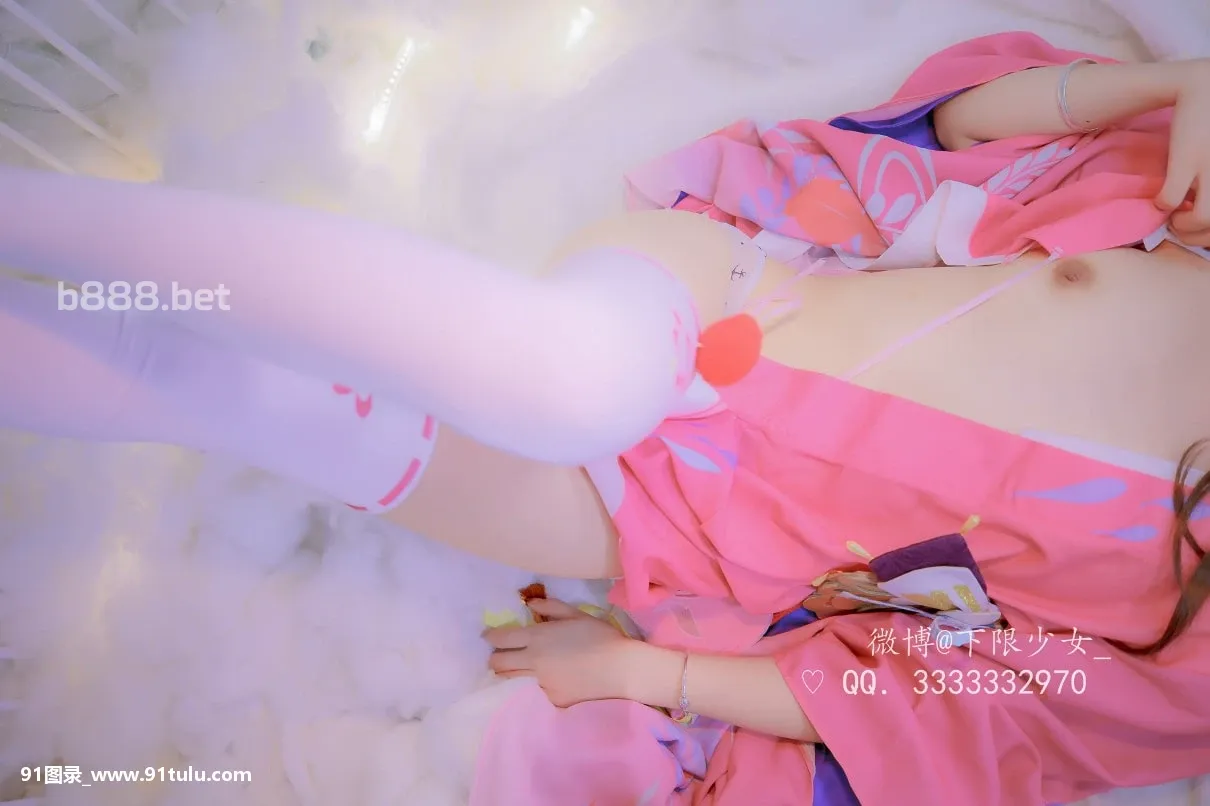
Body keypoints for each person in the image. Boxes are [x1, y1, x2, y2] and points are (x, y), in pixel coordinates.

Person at [1, 31, 1209, 806]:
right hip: (735, 293)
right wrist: (1172, 85)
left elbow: (921, 700)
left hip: (676, 525)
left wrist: (638, 667)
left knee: (220, 391)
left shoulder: (1190, 658)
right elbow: (961, 128)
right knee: (575, 382)